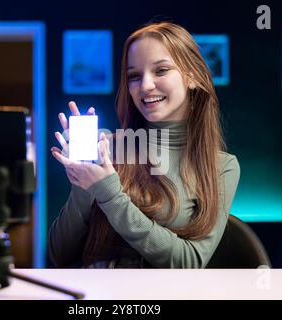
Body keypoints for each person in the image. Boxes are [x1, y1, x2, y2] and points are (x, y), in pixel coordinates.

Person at [49, 21, 240, 268]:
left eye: (161, 71)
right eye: (134, 76)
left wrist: (109, 194)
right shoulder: (108, 150)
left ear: (192, 77)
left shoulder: (222, 167)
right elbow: (58, 255)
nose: (145, 86)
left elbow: (188, 262)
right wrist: (83, 182)